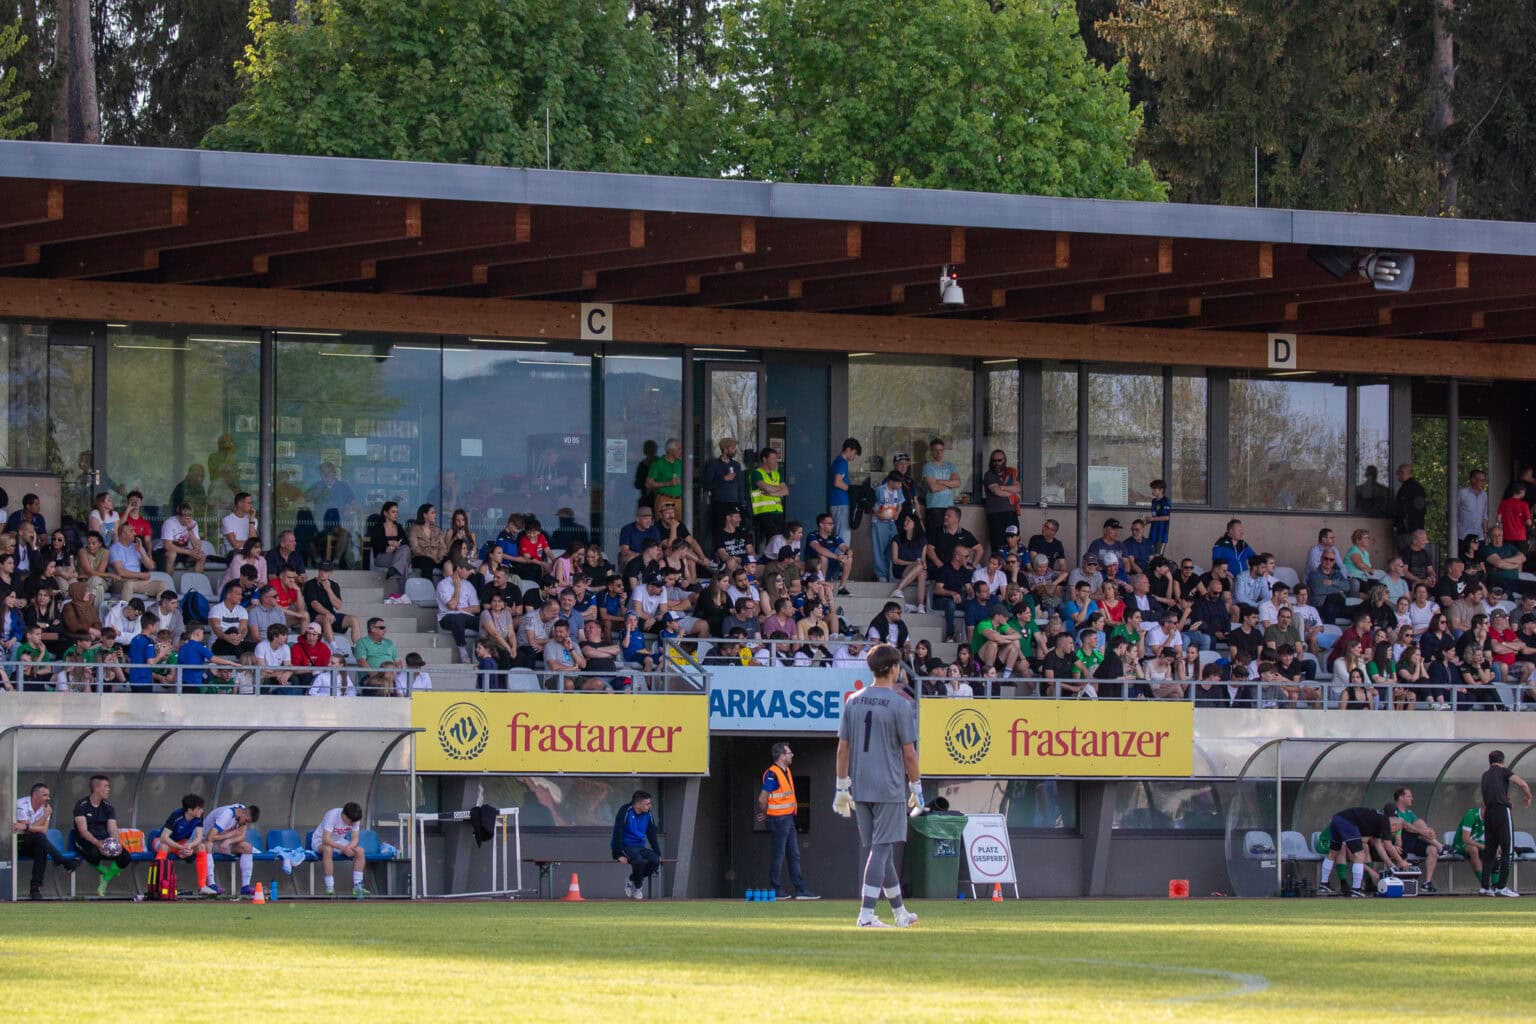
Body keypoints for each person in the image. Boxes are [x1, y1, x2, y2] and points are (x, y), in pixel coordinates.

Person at [834, 643, 921, 928]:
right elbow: (909, 753)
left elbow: (842, 749)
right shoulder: (900, 703)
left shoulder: (853, 700)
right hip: (890, 786)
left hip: (861, 787)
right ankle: (866, 914)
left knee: (879, 852)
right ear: (894, 668)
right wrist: (917, 788)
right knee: (882, 850)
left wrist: (841, 787)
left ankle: (899, 913)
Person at [756, 742, 819, 900]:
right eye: (789, 753)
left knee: (793, 854)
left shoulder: (786, 771)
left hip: (787, 818)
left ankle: (800, 889)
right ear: (782, 756)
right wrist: (768, 813)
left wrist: (768, 812)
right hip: (779, 819)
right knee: (779, 854)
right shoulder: (773, 773)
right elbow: (762, 799)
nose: (792, 755)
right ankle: (776, 888)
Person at [1479, 749, 1531, 897]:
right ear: (1502, 761)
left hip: (1489, 812)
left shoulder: (1485, 775)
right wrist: (1528, 796)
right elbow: (1522, 783)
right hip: (1502, 811)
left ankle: (1484, 887)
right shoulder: (1504, 771)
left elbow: (1486, 796)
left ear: (1490, 761)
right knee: (1508, 850)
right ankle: (1501, 887)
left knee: (1490, 850)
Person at [13, 781, 76, 900]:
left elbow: (43, 829)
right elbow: (25, 832)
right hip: (18, 844)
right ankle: (62, 860)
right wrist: (43, 817)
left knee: (40, 847)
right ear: (35, 795)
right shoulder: (21, 804)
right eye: (45, 795)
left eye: (48, 795)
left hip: (35, 842)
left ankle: (35, 888)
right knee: (38, 838)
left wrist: (28, 826)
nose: (48, 798)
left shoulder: (46, 808)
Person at [72, 774, 132, 896]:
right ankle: (103, 870)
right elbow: (83, 831)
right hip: (85, 840)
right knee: (93, 854)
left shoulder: (108, 806)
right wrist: (97, 844)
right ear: (96, 788)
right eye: (106, 786)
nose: (108, 789)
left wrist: (116, 844)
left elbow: (113, 828)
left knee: (125, 856)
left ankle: (106, 878)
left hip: (104, 839)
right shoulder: (81, 805)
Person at [1322, 804, 1399, 897]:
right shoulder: (1385, 819)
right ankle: (1356, 889)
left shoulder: (1377, 819)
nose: (1394, 827)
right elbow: (1388, 845)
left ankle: (1323, 884)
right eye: (1394, 824)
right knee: (1359, 855)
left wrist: (1390, 864)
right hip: (1347, 822)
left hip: (1337, 818)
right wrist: (1400, 861)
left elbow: (1379, 845)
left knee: (1332, 853)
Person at [153, 792, 216, 895]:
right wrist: (180, 847)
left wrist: (190, 846)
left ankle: (202, 886)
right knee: (163, 847)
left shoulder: (198, 816)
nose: (202, 810)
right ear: (190, 810)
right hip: (163, 841)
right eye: (199, 808)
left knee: (201, 847)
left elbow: (199, 837)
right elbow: (164, 837)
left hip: (182, 843)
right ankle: (158, 885)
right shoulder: (176, 815)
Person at [1387, 786, 1444, 894]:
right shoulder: (1392, 810)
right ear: (1401, 798)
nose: (1412, 799)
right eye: (1409, 796)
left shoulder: (1410, 813)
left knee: (1432, 849)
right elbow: (1405, 826)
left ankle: (1427, 883)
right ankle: (1441, 847)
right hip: (1400, 842)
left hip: (1412, 840)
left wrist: (1428, 831)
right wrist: (1423, 831)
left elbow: (1419, 828)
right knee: (1419, 824)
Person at [611, 789, 663, 901]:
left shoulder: (648, 814)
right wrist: (618, 854)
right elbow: (617, 832)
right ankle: (638, 887)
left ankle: (631, 879)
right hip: (626, 846)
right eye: (647, 804)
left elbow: (652, 835)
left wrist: (658, 853)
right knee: (638, 860)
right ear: (639, 804)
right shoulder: (625, 811)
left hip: (640, 847)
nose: (650, 806)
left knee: (655, 860)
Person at [312, 801, 369, 898]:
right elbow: (325, 839)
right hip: (319, 840)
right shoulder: (332, 815)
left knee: (360, 851)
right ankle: (330, 887)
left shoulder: (355, 818)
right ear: (344, 814)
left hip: (339, 841)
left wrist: (348, 847)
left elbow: (355, 838)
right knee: (328, 849)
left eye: (353, 822)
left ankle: (357, 886)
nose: (351, 824)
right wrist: (343, 848)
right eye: (350, 821)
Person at [920, 438, 961, 542]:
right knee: (934, 538)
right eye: (935, 450)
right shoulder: (928, 467)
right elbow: (933, 488)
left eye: (941, 450)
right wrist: (949, 483)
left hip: (949, 507)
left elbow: (958, 483)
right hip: (934, 507)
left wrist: (940, 482)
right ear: (931, 451)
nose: (938, 453)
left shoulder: (950, 466)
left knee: (948, 537)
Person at [981, 450, 1019, 554]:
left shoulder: (1011, 472)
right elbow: (997, 492)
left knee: (1013, 543)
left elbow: (1018, 488)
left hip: (1011, 513)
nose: (997, 463)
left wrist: (1002, 487)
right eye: (994, 461)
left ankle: (1013, 568)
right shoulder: (989, 475)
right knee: (998, 545)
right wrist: (1012, 492)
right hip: (996, 514)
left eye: (999, 460)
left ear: (1004, 460)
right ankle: (998, 569)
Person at [750, 447, 789, 546]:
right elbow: (766, 488)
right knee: (772, 538)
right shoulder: (757, 473)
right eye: (773, 458)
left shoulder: (777, 474)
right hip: (763, 512)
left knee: (780, 538)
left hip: (778, 511)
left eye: (776, 459)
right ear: (764, 459)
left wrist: (772, 493)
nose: (775, 461)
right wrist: (777, 489)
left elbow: (786, 491)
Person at [828, 437, 861, 544]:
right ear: (849, 449)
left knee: (840, 534)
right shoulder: (842, 462)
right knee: (842, 537)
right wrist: (852, 490)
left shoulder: (838, 462)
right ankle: (841, 560)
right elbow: (838, 482)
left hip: (838, 503)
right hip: (840, 503)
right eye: (855, 453)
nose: (854, 457)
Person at [645, 438, 685, 518]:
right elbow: (648, 484)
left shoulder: (681, 463)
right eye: (679, 449)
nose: (681, 451)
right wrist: (668, 483)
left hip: (679, 501)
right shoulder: (658, 463)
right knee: (663, 527)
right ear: (670, 450)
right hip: (664, 500)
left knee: (677, 527)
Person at [1392, 463, 1427, 553]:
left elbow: (1404, 509)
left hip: (1407, 529)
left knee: (1406, 553)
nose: (1399, 475)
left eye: (1402, 472)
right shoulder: (1414, 487)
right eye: (1398, 472)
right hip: (1412, 528)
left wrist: (1398, 524)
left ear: (1410, 473)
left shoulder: (1409, 489)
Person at [221, 491, 258, 557]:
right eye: (249, 503)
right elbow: (235, 544)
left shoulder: (253, 520)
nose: (251, 505)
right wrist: (250, 544)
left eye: (251, 503)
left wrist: (251, 521)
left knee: (265, 556)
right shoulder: (227, 520)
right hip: (233, 553)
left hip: (249, 552)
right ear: (240, 504)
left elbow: (253, 541)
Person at [1457, 470, 1489, 540]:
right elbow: (1452, 512)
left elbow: (1484, 516)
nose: (1483, 483)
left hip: (1479, 536)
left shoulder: (1484, 495)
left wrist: (1485, 532)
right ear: (1473, 480)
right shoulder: (1462, 493)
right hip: (1464, 536)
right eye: (1481, 480)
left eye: (1484, 480)